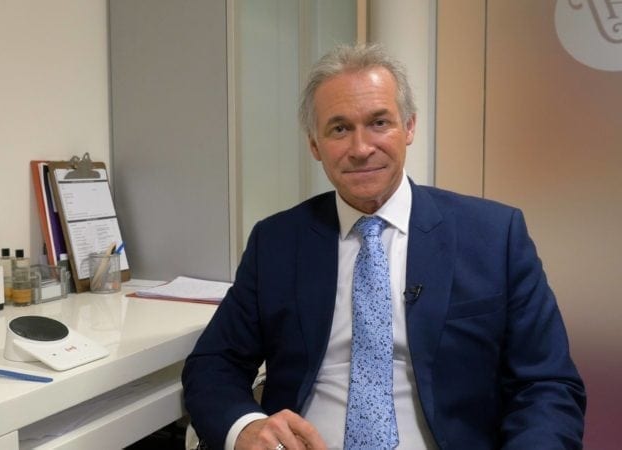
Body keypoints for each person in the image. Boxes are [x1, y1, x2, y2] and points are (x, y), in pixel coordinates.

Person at [181, 43, 586, 450]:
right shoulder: (277, 242)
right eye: (339, 128)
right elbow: (213, 364)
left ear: (409, 127)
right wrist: (246, 428)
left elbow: (546, 385)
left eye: (379, 123)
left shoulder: (495, 236)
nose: (360, 148)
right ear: (314, 145)